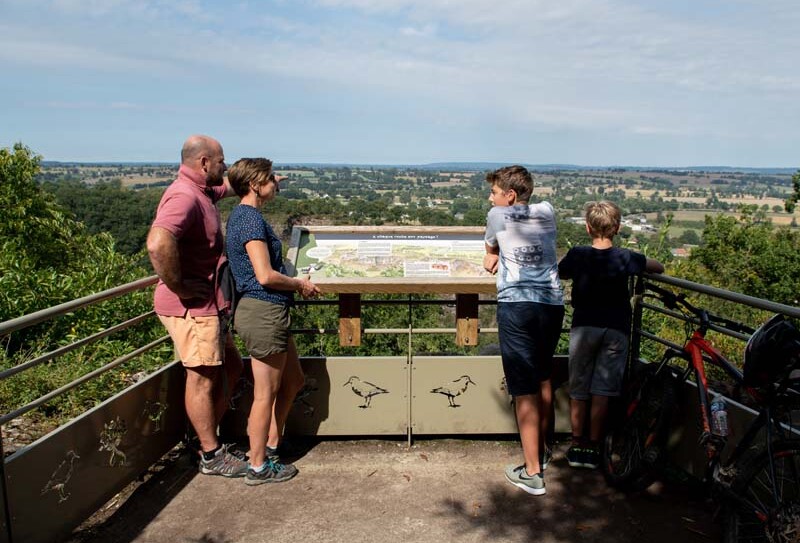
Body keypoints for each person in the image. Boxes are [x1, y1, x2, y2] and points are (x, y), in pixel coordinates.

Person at [147, 135, 246, 477]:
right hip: (193, 308)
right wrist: (179, 287)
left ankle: (203, 437)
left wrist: (264, 179)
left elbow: (228, 186)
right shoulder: (184, 196)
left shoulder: (202, 191)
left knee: (232, 368)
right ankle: (210, 453)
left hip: (208, 305)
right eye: (221, 161)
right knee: (202, 377)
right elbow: (158, 243)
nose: (225, 166)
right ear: (204, 162)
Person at [225, 157, 320, 485]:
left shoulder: (243, 214)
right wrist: (300, 284)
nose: (275, 184)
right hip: (262, 310)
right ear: (254, 184)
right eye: (270, 180)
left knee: (292, 380)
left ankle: (271, 442)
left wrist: (274, 178)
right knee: (265, 392)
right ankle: (257, 465)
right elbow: (264, 276)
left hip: (269, 312)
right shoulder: (250, 221)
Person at [558, 200, 664, 469]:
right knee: (602, 390)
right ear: (616, 228)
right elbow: (657, 266)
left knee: (579, 388)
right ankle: (595, 445)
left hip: (584, 327)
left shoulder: (578, 255)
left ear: (587, 227)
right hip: (616, 329)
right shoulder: (626, 258)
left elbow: (561, 271)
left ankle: (577, 443)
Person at [483, 165, 564, 496]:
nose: (490, 197)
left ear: (510, 195)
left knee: (523, 388)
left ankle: (532, 473)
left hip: (517, 304)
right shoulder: (547, 211)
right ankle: (542, 453)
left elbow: (490, 254)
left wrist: (494, 254)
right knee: (543, 376)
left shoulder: (497, 216)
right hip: (551, 303)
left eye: (495, 192)